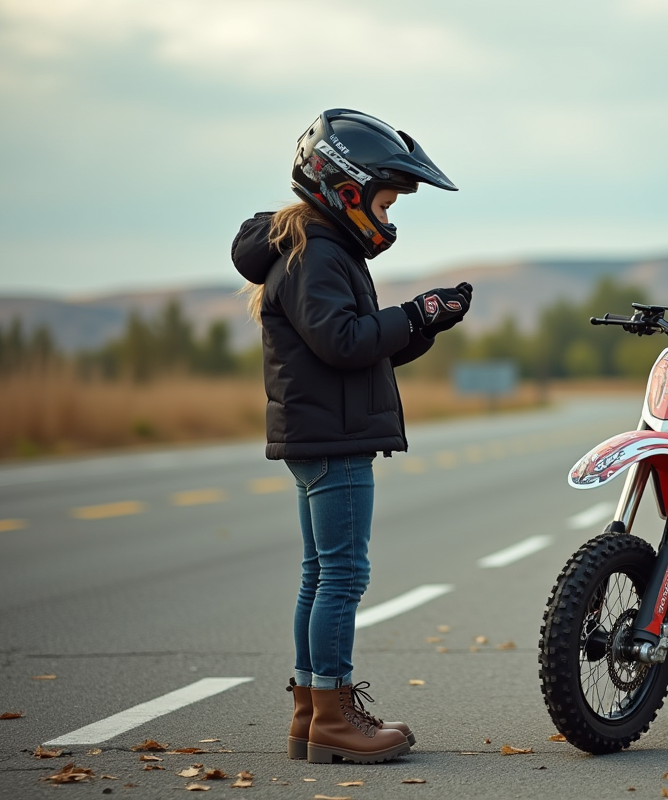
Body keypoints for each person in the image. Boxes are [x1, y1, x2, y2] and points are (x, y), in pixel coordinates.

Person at [231, 109, 470, 764]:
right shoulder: (318, 254)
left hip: (320, 433)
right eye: (386, 201)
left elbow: (364, 351)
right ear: (347, 187)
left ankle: (313, 714)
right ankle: (333, 717)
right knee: (343, 573)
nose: (390, 217)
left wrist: (425, 324)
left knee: (320, 572)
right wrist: (412, 311)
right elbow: (343, 343)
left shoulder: (316, 249)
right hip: (331, 440)